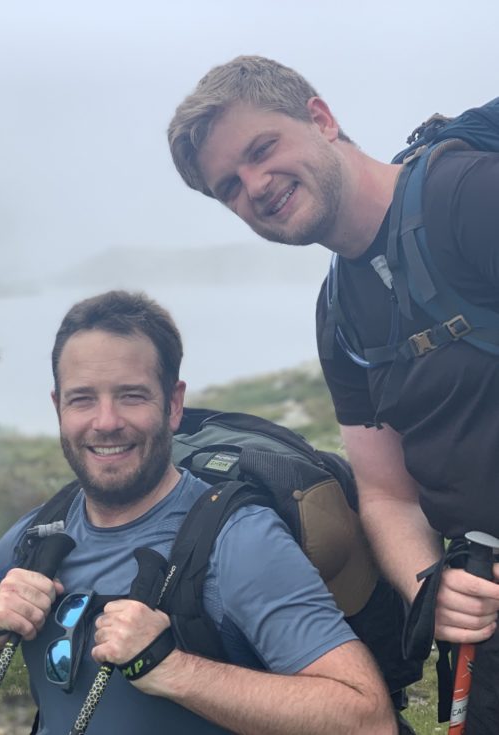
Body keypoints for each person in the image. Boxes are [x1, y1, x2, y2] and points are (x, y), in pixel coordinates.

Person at [167, 55, 499, 732]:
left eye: (263, 150)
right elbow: (387, 493)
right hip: (482, 601)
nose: (255, 186)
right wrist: (427, 587)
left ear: (320, 119)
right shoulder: (340, 312)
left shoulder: (468, 195)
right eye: (230, 185)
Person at [0, 290, 394, 734]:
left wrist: (173, 669)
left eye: (131, 396)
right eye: (83, 400)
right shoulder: (38, 534)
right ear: (58, 408)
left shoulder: (238, 540)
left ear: (173, 405)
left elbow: (366, 717)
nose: (106, 422)